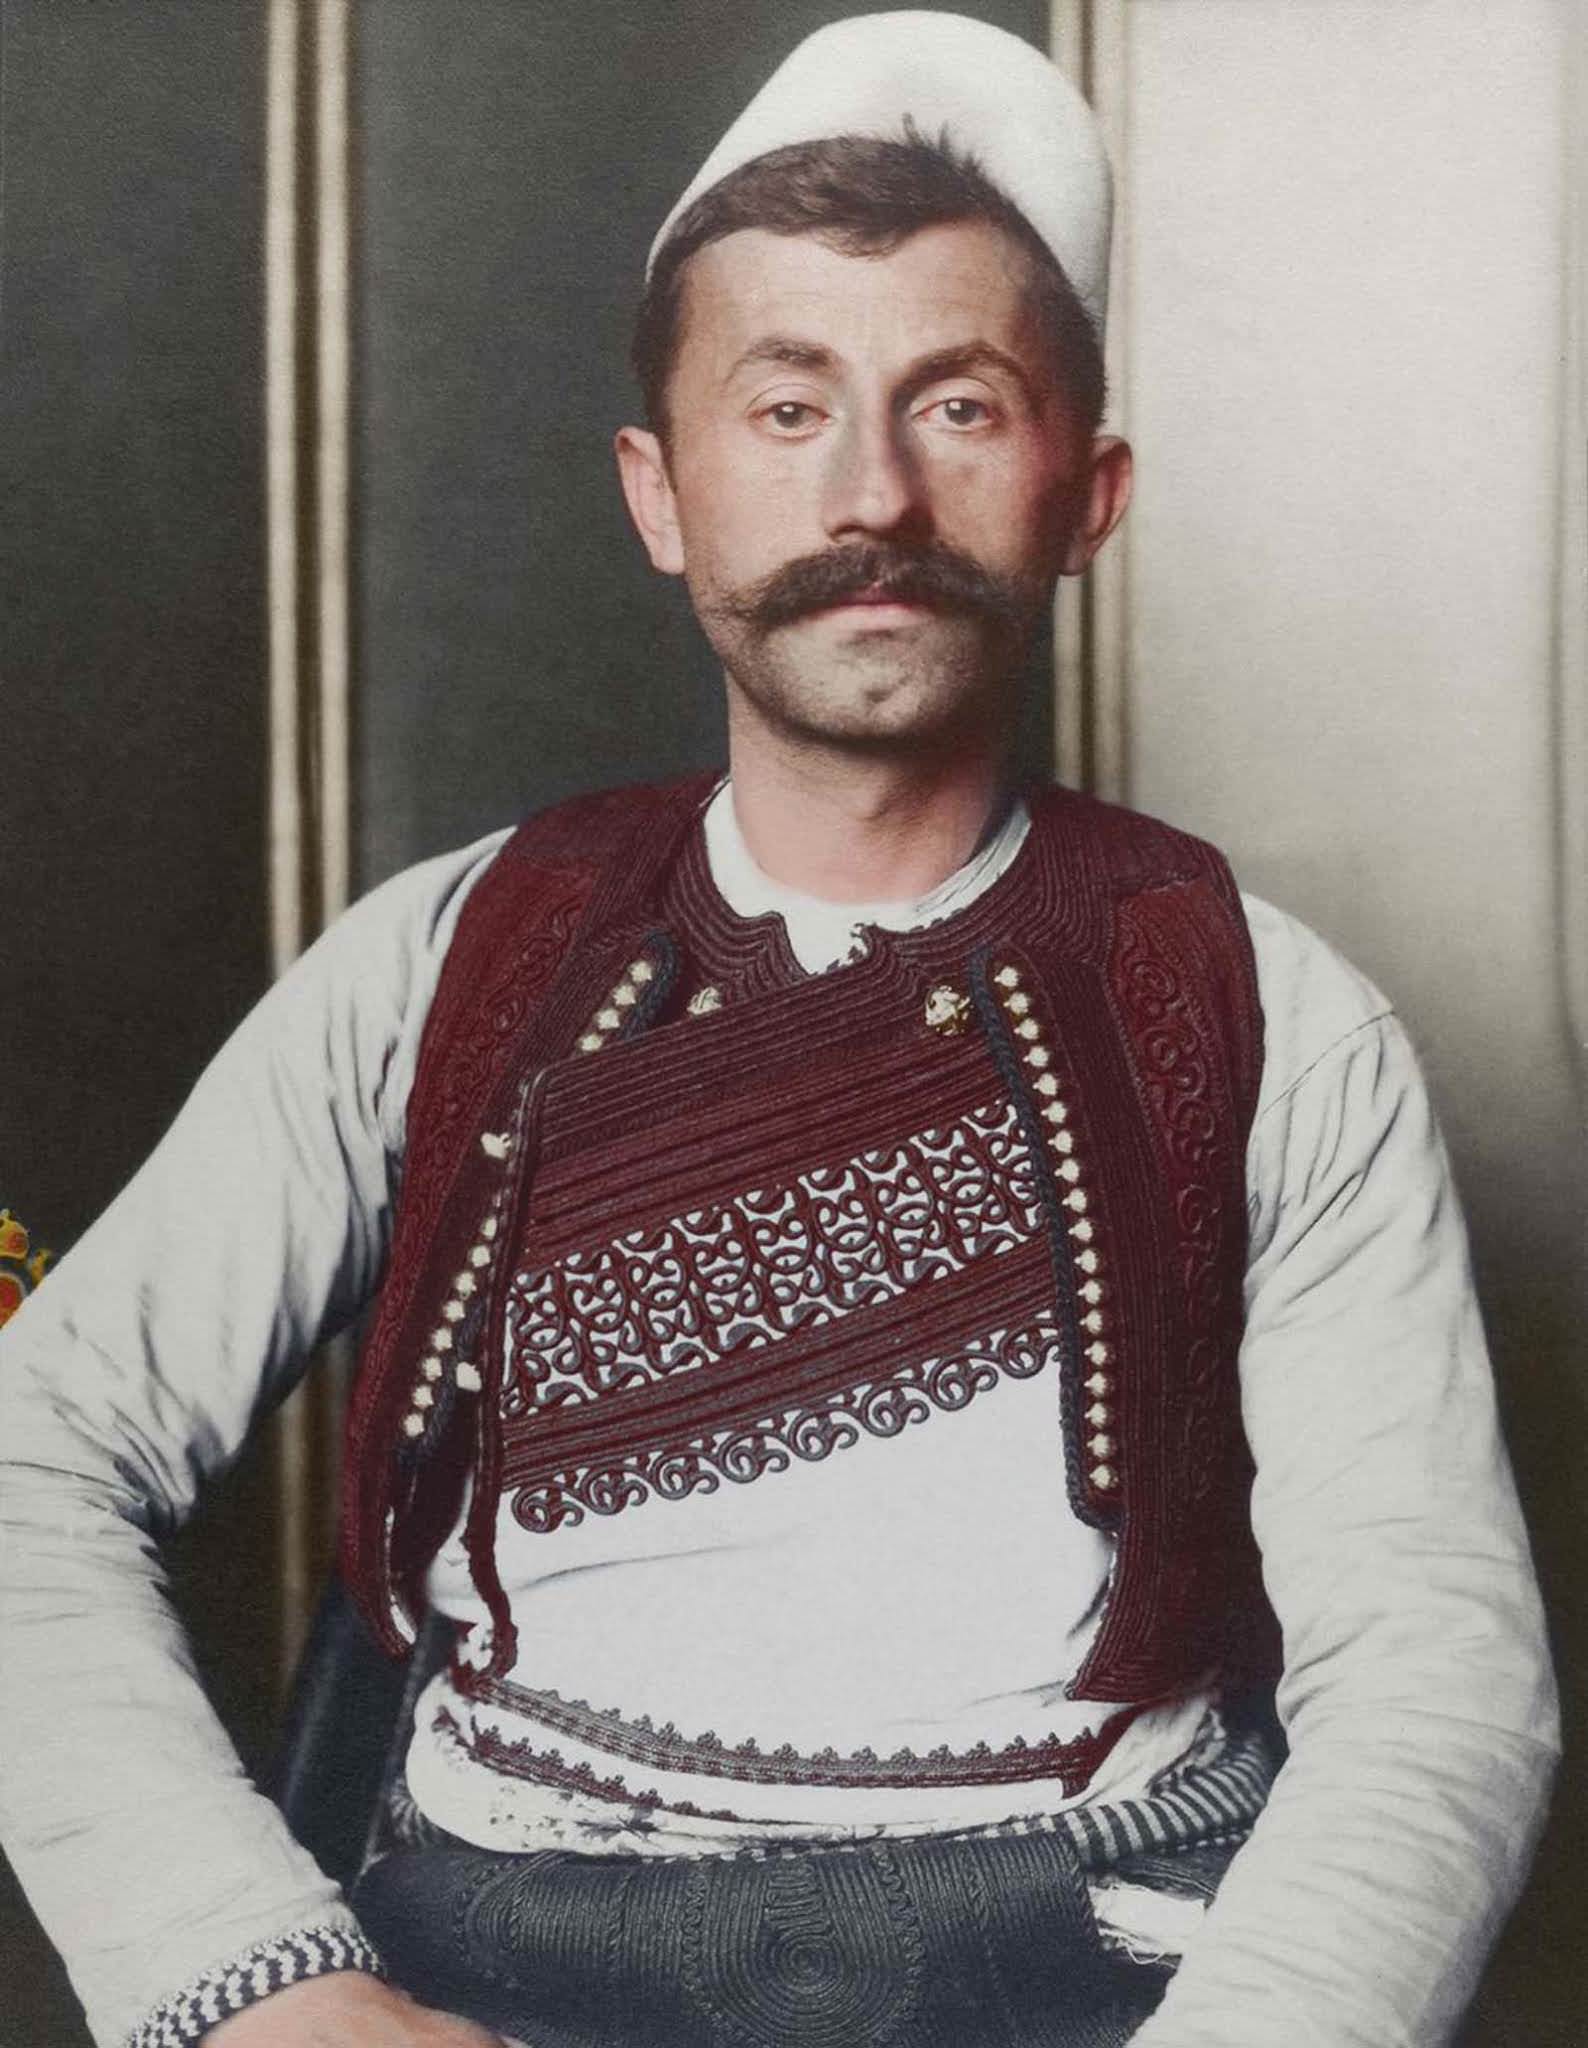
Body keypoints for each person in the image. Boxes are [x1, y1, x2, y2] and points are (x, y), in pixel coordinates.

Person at [0, 14, 1558, 2048]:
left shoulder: (1272, 1013)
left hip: (1108, 1966)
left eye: (960, 405)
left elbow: (1435, 1665)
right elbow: (35, 1449)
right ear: (658, 494)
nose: (874, 492)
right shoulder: (440, 961)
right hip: (486, 1966)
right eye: (787, 406)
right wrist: (263, 1994)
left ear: (1084, 491)